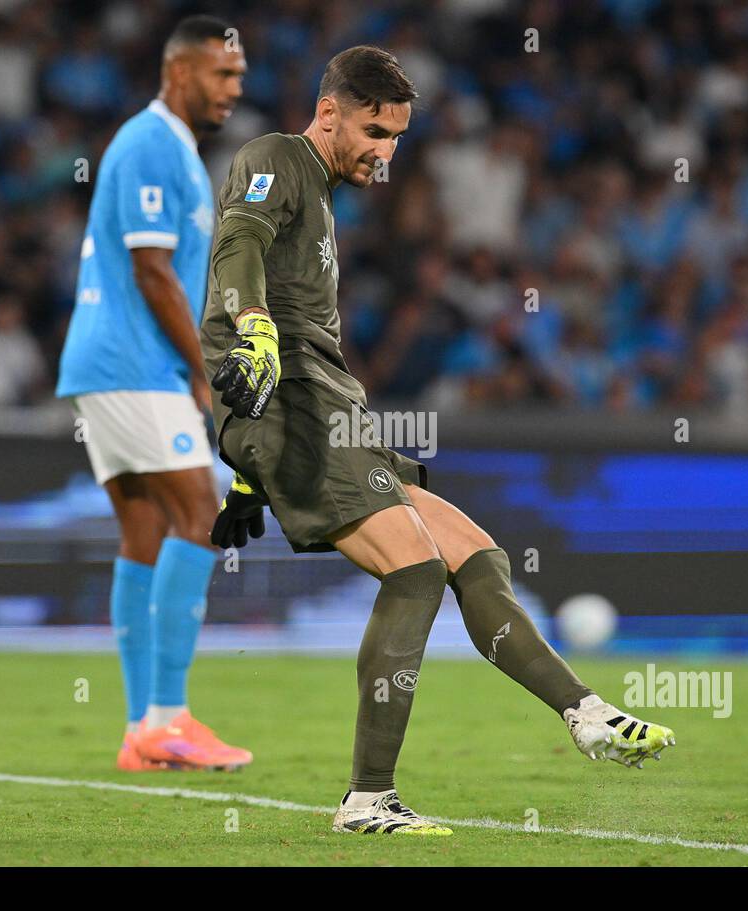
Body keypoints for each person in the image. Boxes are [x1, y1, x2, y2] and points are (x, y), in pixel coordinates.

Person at [202, 46, 675, 835]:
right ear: (330, 112)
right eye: (374, 131)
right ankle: (367, 799)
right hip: (298, 403)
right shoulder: (274, 158)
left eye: (396, 138)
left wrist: (251, 476)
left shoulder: (319, 192)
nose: (385, 153)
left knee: (473, 551)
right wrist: (251, 331)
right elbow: (238, 243)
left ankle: (584, 712)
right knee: (414, 568)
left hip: (327, 408)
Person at [56, 15, 250, 771]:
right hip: (133, 364)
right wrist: (203, 367)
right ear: (178, 72)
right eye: (221, 74)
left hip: (117, 368)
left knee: (145, 532)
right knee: (203, 510)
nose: (233, 88)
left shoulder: (177, 151)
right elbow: (152, 269)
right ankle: (169, 714)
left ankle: (142, 730)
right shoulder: (147, 143)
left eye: (238, 75)